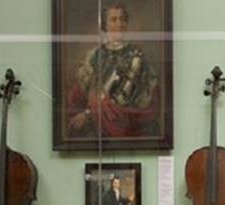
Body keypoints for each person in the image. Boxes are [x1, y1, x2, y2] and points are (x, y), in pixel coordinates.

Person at [67, 3, 159, 139]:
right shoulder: (95, 55)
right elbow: (81, 94)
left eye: (122, 19)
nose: (119, 24)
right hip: (95, 127)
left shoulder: (137, 56)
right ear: (105, 25)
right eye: (114, 20)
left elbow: (146, 98)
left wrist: (97, 111)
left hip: (127, 122)